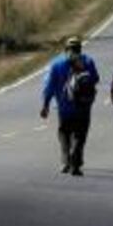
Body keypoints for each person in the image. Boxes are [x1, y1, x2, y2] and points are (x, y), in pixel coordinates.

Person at [40, 37, 100, 177]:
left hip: (63, 107)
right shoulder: (87, 61)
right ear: (80, 48)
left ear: (66, 49)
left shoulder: (57, 63)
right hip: (83, 106)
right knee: (80, 135)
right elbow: (95, 79)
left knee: (64, 133)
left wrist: (45, 105)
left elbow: (49, 87)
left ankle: (66, 160)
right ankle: (76, 164)